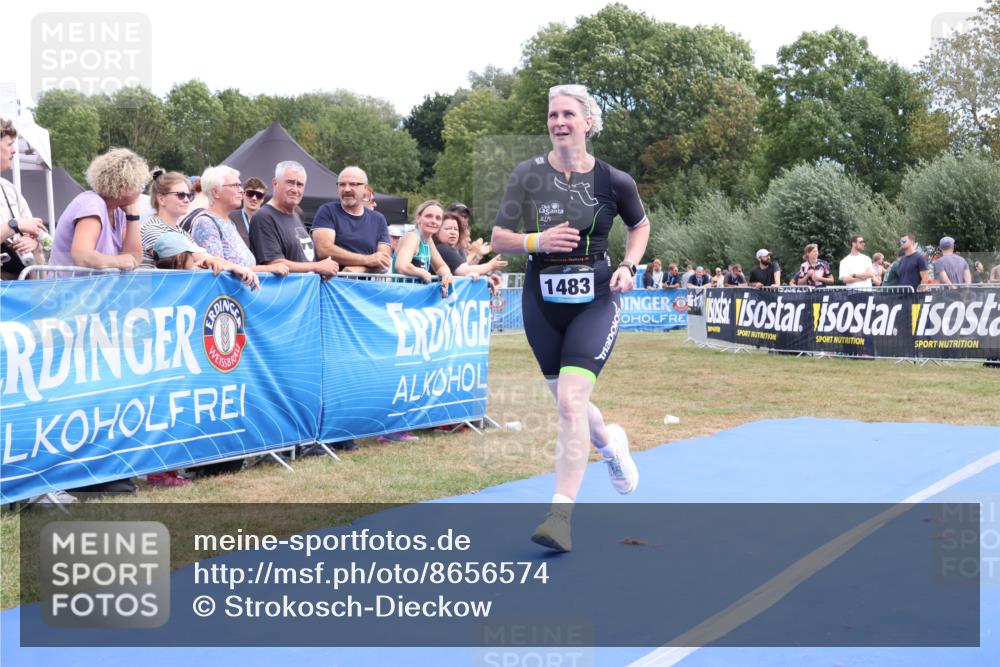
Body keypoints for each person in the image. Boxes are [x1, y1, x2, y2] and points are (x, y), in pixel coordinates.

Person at [492, 83, 650, 552]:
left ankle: (560, 516)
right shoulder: (527, 175)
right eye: (552, 115)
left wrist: (628, 265)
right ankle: (609, 442)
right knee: (570, 404)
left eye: (567, 114)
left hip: (596, 300)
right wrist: (534, 243)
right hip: (542, 303)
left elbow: (639, 225)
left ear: (587, 122)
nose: (558, 122)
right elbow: (499, 236)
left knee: (570, 402)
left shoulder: (614, 181)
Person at [49, 148, 147, 271]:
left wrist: (133, 216)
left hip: (95, 289)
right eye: (141, 185)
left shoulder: (119, 211)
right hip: (70, 288)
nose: (142, 190)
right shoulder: (92, 204)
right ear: (124, 187)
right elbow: (82, 256)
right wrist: (118, 261)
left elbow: (134, 259)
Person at [190, 165, 285, 280]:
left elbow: (241, 266)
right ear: (216, 192)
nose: (241, 190)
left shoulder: (228, 222)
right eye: (235, 185)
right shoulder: (205, 223)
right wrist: (268, 268)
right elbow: (219, 270)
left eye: (240, 185)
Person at [249, 161, 338, 277]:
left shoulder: (296, 214)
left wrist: (321, 271)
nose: (295, 190)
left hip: (306, 290)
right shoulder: (263, 216)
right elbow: (275, 264)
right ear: (275, 183)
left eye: (299, 184)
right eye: (290, 183)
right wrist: (317, 267)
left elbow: (304, 257)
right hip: (285, 292)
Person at [311, 166, 392, 273]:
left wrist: (357, 270)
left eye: (353, 184)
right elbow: (324, 250)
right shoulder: (327, 211)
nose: (347, 189)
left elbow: (384, 261)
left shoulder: (378, 219)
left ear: (365, 189)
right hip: (332, 286)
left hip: (366, 288)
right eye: (342, 184)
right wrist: (367, 260)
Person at [1, 118, 47, 279]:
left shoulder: (9, 189)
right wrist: (15, 225)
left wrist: (32, 242)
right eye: (9, 144)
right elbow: (20, 224)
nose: (14, 150)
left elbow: (37, 230)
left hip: (20, 288)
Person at [393, 200, 454, 298]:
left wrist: (446, 275)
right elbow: (401, 265)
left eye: (438, 218)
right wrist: (423, 273)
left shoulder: (428, 241)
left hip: (415, 296)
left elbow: (440, 266)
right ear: (418, 218)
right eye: (428, 216)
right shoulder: (412, 237)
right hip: (401, 296)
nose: (433, 221)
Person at [435, 210, 507, 282]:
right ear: (437, 232)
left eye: (456, 229)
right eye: (448, 228)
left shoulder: (445, 248)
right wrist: (491, 265)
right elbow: (465, 271)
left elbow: (465, 269)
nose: (453, 232)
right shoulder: (443, 249)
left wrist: (478, 256)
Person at [229, 176, 267, 250]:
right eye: (250, 193)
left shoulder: (268, 221)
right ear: (243, 195)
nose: (254, 198)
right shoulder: (229, 217)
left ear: (263, 199)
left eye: (259, 195)